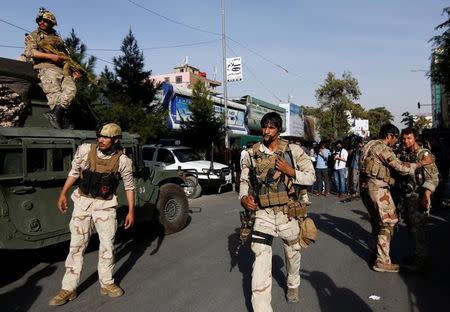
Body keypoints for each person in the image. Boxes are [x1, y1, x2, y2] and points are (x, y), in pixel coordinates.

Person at [49, 123, 135, 306]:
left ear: (116, 140)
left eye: (105, 137)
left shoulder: (123, 161)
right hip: (82, 203)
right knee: (76, 246)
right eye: (99, 136)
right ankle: (68, 288)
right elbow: (73, 172)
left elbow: (129, 186)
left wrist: (131, 211)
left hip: (105, 206)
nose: (101, 140)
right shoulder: (85, 150)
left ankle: (107, 283)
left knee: (107, 246)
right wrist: (63, 193)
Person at [239, 112, 315, 311]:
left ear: (278, 130)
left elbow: (311, 177)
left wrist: (291, 172)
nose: (266, 131)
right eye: (264, 126)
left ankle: (293, 284)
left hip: (287, 213)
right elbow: (245, 181)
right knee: (261, 258)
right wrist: (244, 199)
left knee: (292, 253)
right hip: (263, 214)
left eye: (271, 127)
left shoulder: (293, 151)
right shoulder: (252, 154)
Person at [359, 124, 431, 273]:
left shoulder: (369, 144)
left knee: (377, 221)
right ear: (389, 136)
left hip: (366, 188)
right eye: (396, 138)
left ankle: (377, 252)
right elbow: (401, 168)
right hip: (377, 189)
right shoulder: (383, 148)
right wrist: (420, 163)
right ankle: (382, 260)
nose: (397, 142)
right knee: (388, 222)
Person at [23, 7, 80, 129]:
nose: (41, 23)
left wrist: (74, 70)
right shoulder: (34, 35)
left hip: (64, 69)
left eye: (45, 21)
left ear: (52, 23)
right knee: (55, 95)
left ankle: (56, 115)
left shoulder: (58, 39)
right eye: (40, 20)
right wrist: (51, 56)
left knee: (71, 90)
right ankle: (60, 120)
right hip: (46, 68)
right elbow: (30, 52)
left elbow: (66, 56)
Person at [398, 127, 439, 272]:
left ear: (415, 138)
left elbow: (433, 177)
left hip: (419, 197)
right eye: (404, 138)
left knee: (418, 230)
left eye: (409, 138)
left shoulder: (424, 154)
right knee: (411, 229)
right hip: (409, 198)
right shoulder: (407, 154)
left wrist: (426, 195)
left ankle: (421, 262)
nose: (406, 141)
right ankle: (418, 256)